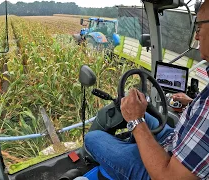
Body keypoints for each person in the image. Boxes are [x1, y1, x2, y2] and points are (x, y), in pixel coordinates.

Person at [85, 1, 209, 179]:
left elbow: (169, 177)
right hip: (176, 141)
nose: (196, 37)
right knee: (149, 119)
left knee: (93, 138)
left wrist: (135, 121)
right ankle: (135, 146)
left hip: (164, 170)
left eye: (198, 27)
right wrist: (192, 105)